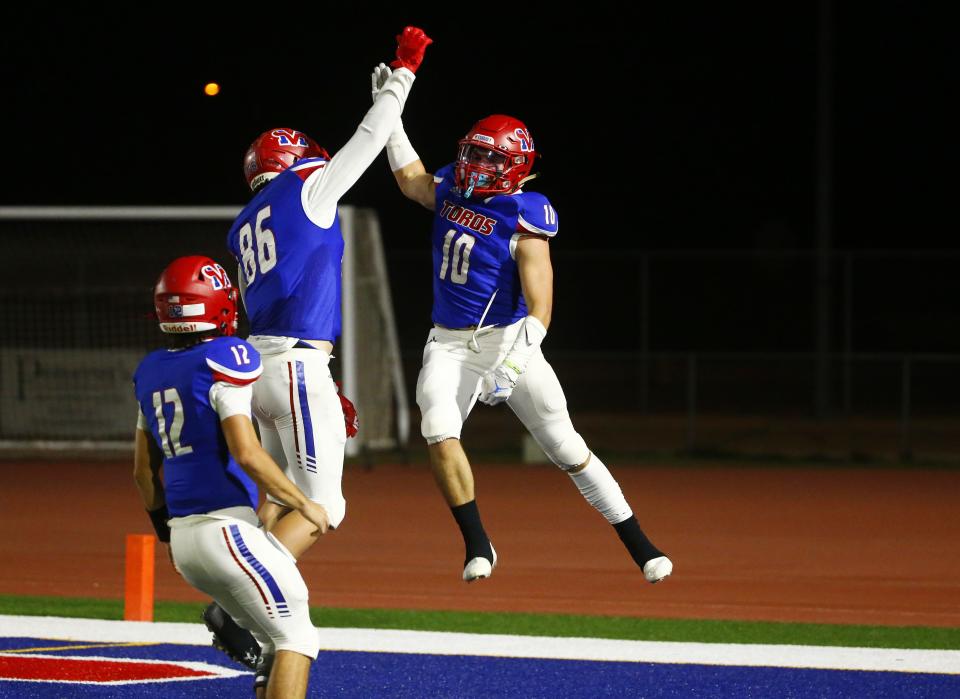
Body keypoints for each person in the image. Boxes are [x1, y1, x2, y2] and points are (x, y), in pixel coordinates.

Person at [372, 67, 673, 584]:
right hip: (448, 342)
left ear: (515, 167)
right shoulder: (449, 188)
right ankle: (478, 543)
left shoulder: (525, 213)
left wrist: (512, 365)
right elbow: (409, 180)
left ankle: (640, 544)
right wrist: (390, 114)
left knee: (566, 447)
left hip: (511, 340)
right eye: (476, 152)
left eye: (493, 157)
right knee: (436, 426)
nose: (479, 164)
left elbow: (541, 305)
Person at [204, 26, 433, 665]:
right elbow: (365, 141)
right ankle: (237, 605)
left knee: (282, 497)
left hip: (263, 366)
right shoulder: (306, 190)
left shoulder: (245, 221)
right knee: (324, 503)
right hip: (297, 364)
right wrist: (404, 78)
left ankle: (243, 607)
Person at [132, 255, 329, 699]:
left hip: (185, 541)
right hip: (228, 530)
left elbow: (142, 472)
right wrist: (302, 502)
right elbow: (247, 451)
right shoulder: (226, 356)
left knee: (271, 643)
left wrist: (165, 530)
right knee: (298, 639)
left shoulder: (149, 371)